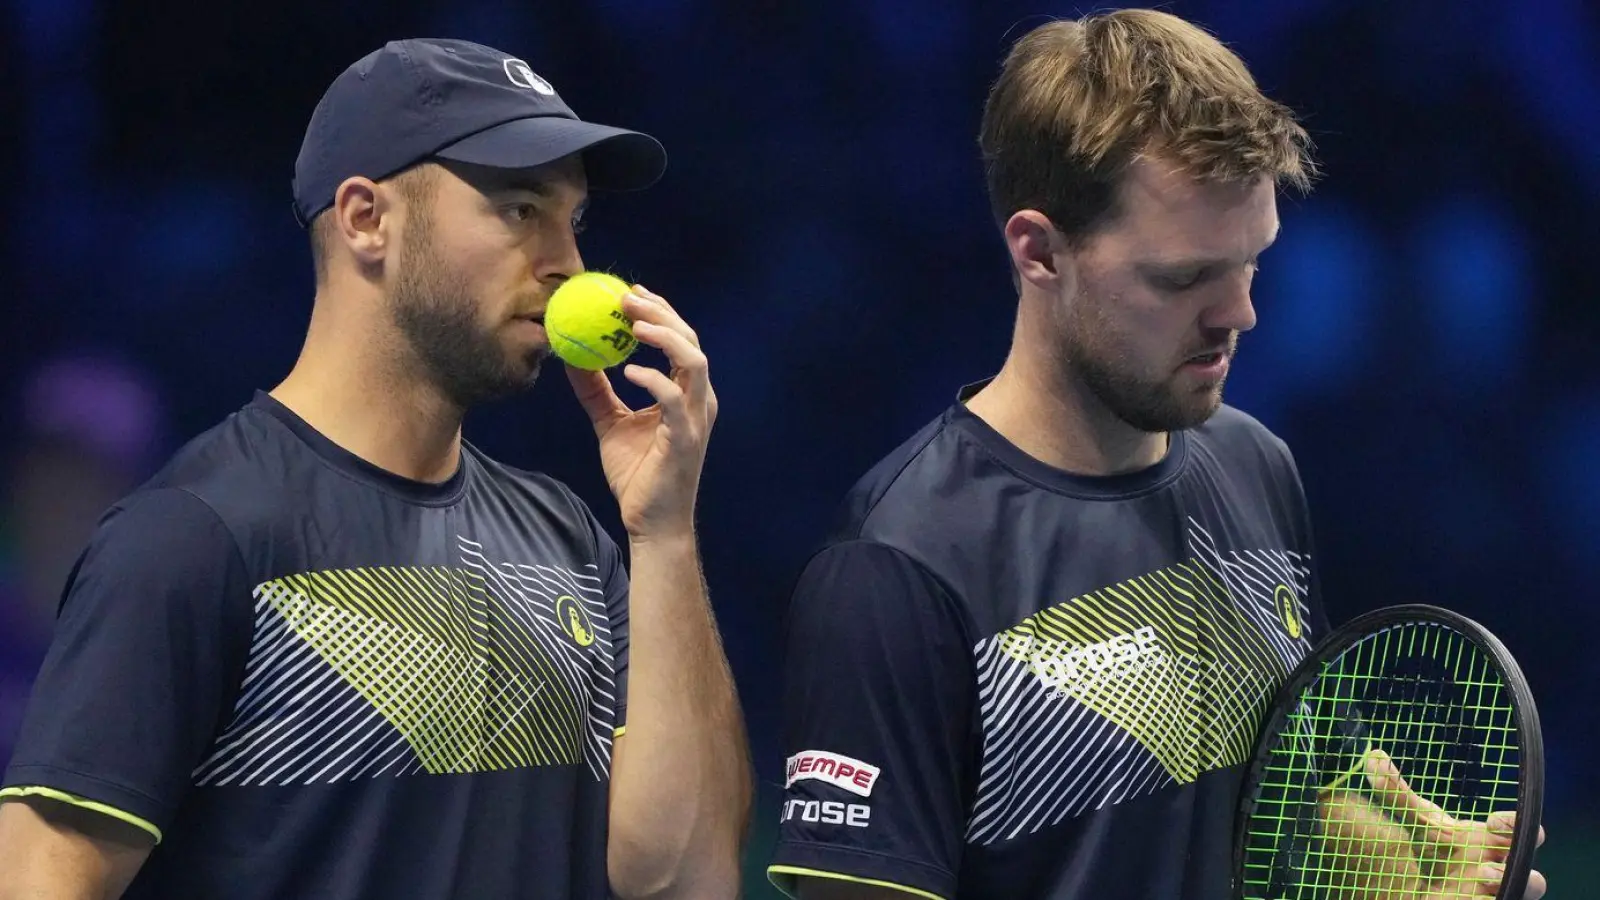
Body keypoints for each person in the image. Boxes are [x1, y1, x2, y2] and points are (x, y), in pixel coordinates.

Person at [767, 10, 1544, 900]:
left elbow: (1302, 806)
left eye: (1251, 262)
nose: (1239, 314)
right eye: (1183, 279)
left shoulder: (1255, 466)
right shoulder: (897, 565)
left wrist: (1410, 883)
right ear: (1039, 251)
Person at [0, 38, 749, 900]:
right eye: (519, 210)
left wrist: (665, 534)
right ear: (365, 220)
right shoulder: (194, 536)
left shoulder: (570, 538)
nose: (570, 265)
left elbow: (685, 879)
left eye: (572, 220)